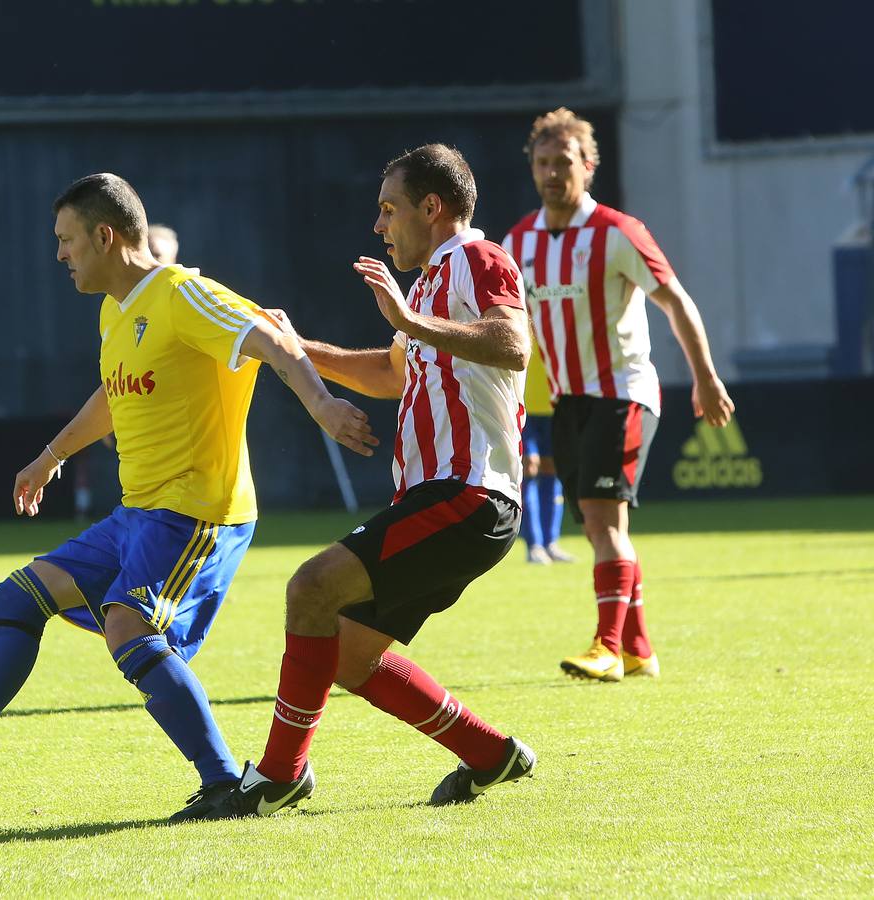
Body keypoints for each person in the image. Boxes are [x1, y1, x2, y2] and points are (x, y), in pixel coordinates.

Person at [0, 173, 376, 822]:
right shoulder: (116, 310)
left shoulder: (184, 294)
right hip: (137, 514)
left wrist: (323, 405)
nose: (59, 254)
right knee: (17, 595)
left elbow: (272, 337)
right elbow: (114, 394)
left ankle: (226, 784)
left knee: (128, 626)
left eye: (67, 239)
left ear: (105, 236)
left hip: (197, 513)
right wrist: (50, 457)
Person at [191, 144, 537, 818]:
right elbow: (389, 372)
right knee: (346, 654)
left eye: (389, 208)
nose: (379, 225)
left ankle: (279, 775)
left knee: (310, 588)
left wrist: (409, 321)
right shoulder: (435, 283)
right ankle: (491, 753)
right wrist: (293, 350)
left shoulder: (475, 257)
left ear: (432, 208)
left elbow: (513, 343)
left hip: (469, 495)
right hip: (446, 500)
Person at [503, 108, 734, 681]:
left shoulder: (617, 231)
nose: (553, 174)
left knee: (604, 523)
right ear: (531, 168)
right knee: (602, 528)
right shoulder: (520, 241)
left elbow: (675, 301)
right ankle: (638, 649)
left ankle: (606, 646)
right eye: (543, 163)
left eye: (564, 162)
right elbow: (503, 323)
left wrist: (705, 377)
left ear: (588, 166)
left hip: (623, 393)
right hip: (567, 400)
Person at [521, 350, 573, 564]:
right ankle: (534, 545)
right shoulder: (522, 318)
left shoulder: (555, 322)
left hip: (554, 408)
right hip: (526, 409)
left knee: (553, 471)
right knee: (529, 468)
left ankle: (551, 543)